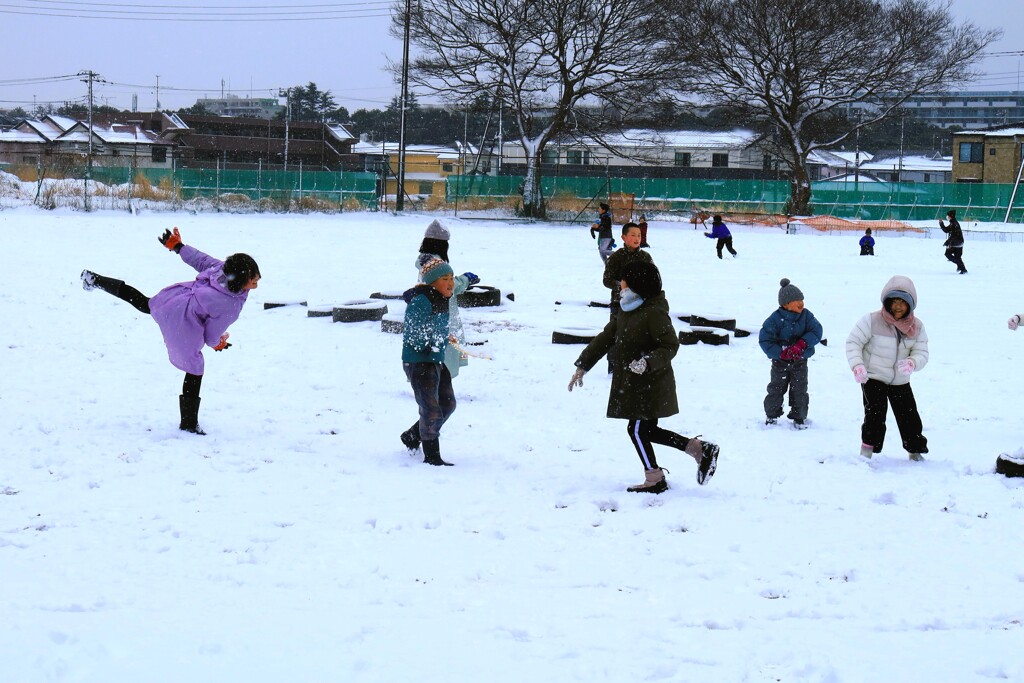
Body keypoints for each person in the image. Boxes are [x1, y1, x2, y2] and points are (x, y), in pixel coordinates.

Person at [80, 227, 260, 435]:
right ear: (238, 280)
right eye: (253, 281)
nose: (256, 285)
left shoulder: (222, 269)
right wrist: (218, 342)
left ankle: (95, 280)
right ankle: (189, 425)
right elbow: (210, 336)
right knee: (194, 367)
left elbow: (200, 259)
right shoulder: (229, 306)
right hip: (182, 320)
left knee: (145, 303)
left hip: (173, 300)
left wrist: (179, 247)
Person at [567, 261, 719, 494]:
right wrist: (583, 365)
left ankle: (655, 478)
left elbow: (670, 345)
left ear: (637, 283)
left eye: (625, 280)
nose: (621, 284)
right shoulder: (626, 309)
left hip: (651, 382)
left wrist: (648, 362)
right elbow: (605, 337)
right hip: (633, 383)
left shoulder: (654, 311)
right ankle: (699, 449)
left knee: (637, 430)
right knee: (646, 431)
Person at [845, 275, 929, 461]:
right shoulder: (872, 320)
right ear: (886, 302)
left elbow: (922, 351)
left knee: (909, 415)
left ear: (911, 304)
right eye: (894, 301)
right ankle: (867, 451)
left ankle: (914, 451)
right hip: (873, 376)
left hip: (900, 379)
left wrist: (912, 362)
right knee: (875, 412)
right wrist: (857, 365)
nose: (898, 306)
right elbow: (853, 342)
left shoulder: (917, 327)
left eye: (903, 302)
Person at [400, 256, 458, 466]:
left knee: (448, 403)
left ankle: (412, 435)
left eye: (451, 277)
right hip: (419, 363)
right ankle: (432, 456)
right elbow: (414, 335)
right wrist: (437, 340)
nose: (450, 282)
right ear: (432, 282)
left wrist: (445, 337)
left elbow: (435, 327)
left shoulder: (442, 298)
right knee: (431, 409)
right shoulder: (421, 301)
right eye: (444, 278)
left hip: (435, 360)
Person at [414, 219, 479, 379]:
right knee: (443, 348)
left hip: (429, 310)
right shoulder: (435, 263)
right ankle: (438, 387)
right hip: (440, 311)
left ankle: (432, 382)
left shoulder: (425, 260)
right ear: (441, 245)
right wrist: (465, 280)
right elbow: (448, 286)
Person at [758, 278, 824, 429]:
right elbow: (765, 340)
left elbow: (816, 331)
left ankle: (799, 417)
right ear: (785, 304)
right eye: (796, 300)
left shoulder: (807, 316)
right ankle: (771, 415)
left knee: (800, 389)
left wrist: (802, 344)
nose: (801, 303)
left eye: (802, 299)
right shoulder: (775, 319)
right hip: (780, 362)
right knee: (776, 388)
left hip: (800, 361)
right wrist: (781, 353)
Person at [602, 222, 653, 372]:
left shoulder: (645, 257)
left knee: (640, 336)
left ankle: (637, 366)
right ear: (624, 237)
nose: (637, 238)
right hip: (620, 303)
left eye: (639, 235)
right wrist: (622, 287)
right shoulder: (616, 257)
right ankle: (613, 367)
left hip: (641, 304)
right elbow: (607, 280)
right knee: (616, 335)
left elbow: (654, 278)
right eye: (633, 235)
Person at [939, 209, 967, 274]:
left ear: (950, 216)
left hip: (956, 243)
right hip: (959, 242)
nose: (947, 217)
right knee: (957, 257)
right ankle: (961, 266)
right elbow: (946, 230)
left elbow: (954, 235)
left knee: (948, 254)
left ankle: (961, 266)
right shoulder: (953, 223)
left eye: (948, 216)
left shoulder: (954, 224)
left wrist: (948, 242)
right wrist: (941, 224)